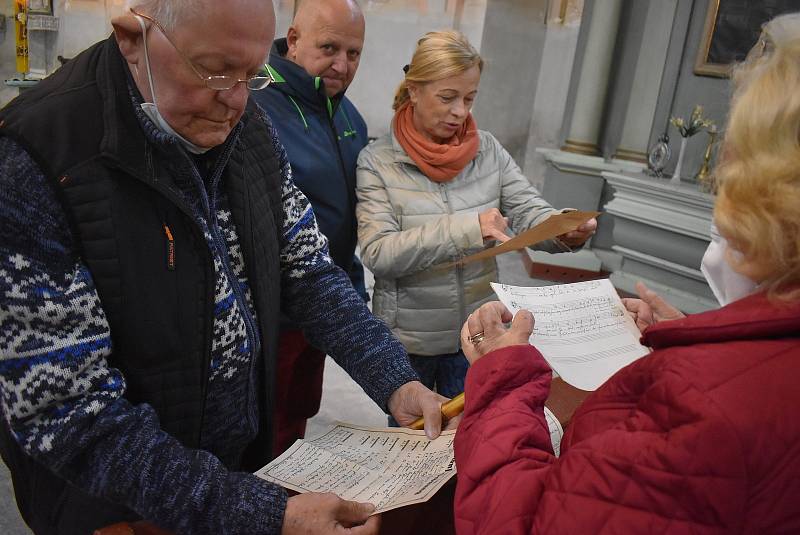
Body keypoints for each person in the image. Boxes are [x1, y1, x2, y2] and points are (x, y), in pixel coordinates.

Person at [0, 1, 451, 534]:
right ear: (131, 38)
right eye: (214, 70)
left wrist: (395, 379)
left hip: (234, 472)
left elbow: (308, 270)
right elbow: (66, 409)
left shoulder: (250, 129)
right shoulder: (36, 159)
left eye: (252, 74)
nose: (234, 101)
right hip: (112, 508)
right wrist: (258, 512)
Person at [452, 13, 800, 533]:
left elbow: (521, 521)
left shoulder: (694, 406)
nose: (460, 110)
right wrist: (684, 338)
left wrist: (504, 382)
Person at [355, 30, 596, 400]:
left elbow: (528, 209)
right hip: (410, 340)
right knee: (414, 440)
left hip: (481, 332)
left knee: (475, 438)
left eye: (469, 98)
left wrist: (565, 228)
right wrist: (470, 228)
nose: (460, 112)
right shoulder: (377, 161)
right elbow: (379, 253)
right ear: (415, 89)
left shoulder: (488, 151)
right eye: (448, 97)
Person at [251, 0, 370, 455]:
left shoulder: (348, 116)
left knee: (299, 412)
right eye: (329, 47)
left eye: (354, 53)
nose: (341, 65)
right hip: (271, 311)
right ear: (294, 39)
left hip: (322, 306)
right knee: (264, 424)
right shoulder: (258, 107)